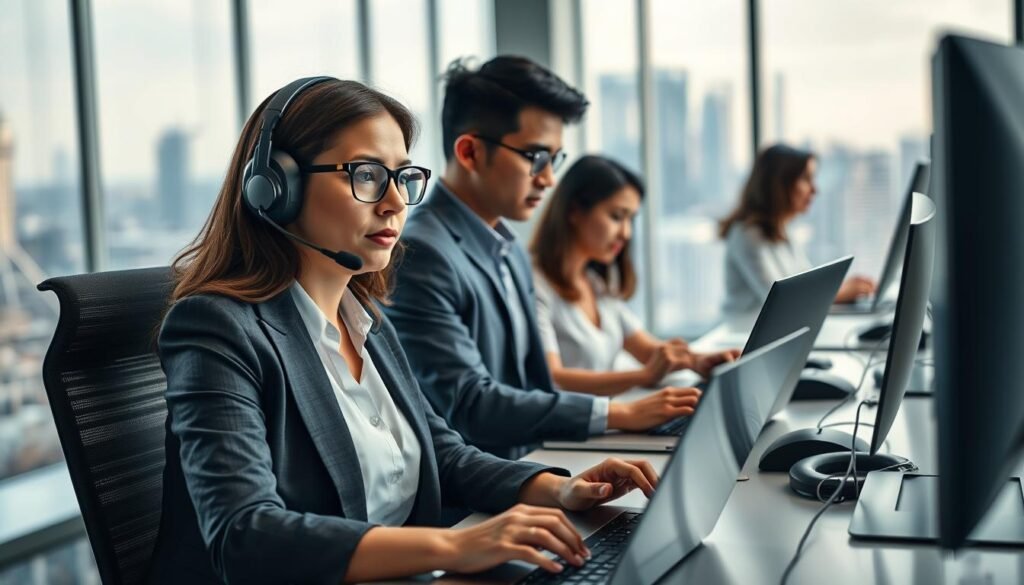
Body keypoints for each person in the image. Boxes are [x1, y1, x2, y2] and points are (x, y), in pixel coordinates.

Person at [147, 77, 661, 585]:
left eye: (402, 176)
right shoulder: (215, 328)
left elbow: (442, 452)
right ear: (277, 187)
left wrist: (561, 490)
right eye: (367, 175)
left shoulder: (364, 316)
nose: (395, 201)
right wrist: (455, 546)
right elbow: (245, 535)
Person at [386, 57, 701, 461]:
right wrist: (619, 414)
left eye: (555, 160)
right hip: (482, 493)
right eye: (536, 157)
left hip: (541, 459)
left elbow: (536, 384)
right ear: (470, 152)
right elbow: (469, 404)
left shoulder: (510, 248)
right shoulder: (423, 253)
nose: (549, 178)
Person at [529, 155, 739, 397]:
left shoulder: (595, 282)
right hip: (573, 429)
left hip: (608, 419)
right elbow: (553, 377)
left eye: (631, 219)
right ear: (574, 211)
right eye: (617, 217)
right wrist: (644, 376)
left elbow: (647, 350)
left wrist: (697, 361)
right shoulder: (535, 284)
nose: (626, 233)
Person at [719, 143, 876, 315]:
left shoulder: (782, 232)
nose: (815, 190)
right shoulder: (746, 235)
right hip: (743, 334)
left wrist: (843, 287)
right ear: (779, 184)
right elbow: (781, 301)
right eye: (806, 179)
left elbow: (806, 286)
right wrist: (840, 293)